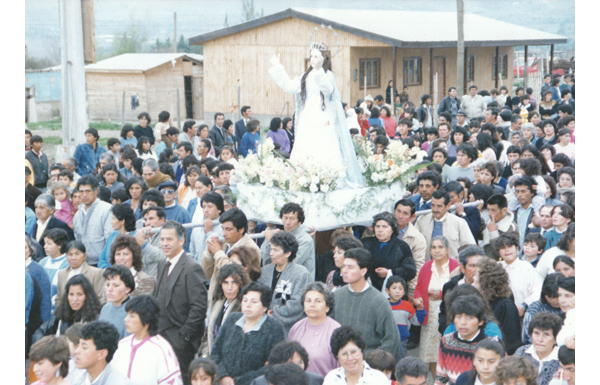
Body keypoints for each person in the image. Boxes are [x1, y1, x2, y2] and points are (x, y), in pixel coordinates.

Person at [268, 43, 364, 187]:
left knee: (324, 145)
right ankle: (302, 179)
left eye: (316, 56)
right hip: (308, 116)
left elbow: (327, 90)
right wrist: (278, 67)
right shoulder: (306, 76)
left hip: (324, 116)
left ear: (323, 59)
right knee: (305, 144)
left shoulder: (327, 75)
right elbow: (290, 86)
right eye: (311, 56)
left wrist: (319, 71)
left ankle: (328, 181)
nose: (312, 59)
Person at [154, 220, 208, 384]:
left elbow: (199, 307)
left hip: (180, 341)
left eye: (169, 239)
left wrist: (183, 337)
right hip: (160, 335)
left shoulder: (192, 268)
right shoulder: (162, 263)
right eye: (162, 239)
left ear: (181, 241)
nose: (164, 243)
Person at [330, 248, 401, 360]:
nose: (344, 271)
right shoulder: (336, 296)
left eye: (350, 267)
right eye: (344, 266)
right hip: (339, 362)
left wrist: (374, 364)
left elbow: (392, 340)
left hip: (368, 366)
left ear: (363, 271)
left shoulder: (378, 301)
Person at [210, 282, 286, 385]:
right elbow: (215, 353)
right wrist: (223, 375)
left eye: (254, 302)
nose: (248, 305)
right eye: (245, 300)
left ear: (265, 307)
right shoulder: (232, 319)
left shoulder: (274, 328)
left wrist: (239, 381)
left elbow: (275, 364)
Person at [111, 295, 183, 385]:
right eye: (127, 315)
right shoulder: (122, 345)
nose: (126, 319)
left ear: (147, 318)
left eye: (132, 316)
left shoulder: (161, 348)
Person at [413, 236, 460, 368]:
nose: (437, 250)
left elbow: (459, 289)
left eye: (440, 247)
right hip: (430, 316)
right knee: (431, 356)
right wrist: (419, 299)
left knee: (447, 354)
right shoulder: (426, 267)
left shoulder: (455, 266)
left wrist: (441, 295)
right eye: (433, 247)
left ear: (448, 250)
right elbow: (418, 288)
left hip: (447, 314)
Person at [202, 208, 261, 302]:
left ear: (241, 229)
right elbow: (206, 273)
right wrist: (209, 252)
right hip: (217, 298)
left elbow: (235, 273)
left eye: (228, 229)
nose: (224, 233)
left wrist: (218, 252)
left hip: (236, 301)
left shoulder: (251, 248)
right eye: (223, 229)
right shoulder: (224, 244)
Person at [258, 232, 313, 332]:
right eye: (271, 249)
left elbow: (298, 304)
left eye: (276, 250)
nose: (271, 253)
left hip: (289, 329)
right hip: (262, 325)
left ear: (288, 253)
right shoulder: (265, 271)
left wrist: (276, 313)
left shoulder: (301, 273)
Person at [288, 282, 341, 377]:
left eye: (318, 301)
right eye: (308, 301)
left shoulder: (336, 331)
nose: (312, 305)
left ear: (328, 307)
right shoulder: (296, 328)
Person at [435, 295, 491, 385]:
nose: (463, 322)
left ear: (481, 321)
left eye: (469, 317)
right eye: (459, 316)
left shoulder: (490, 346)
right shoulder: (446, 341)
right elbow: (440, 379)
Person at [33, 275, 102, 344]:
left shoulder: (95, 320)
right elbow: (40, 332)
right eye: (71, 294)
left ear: (87, 296)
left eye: (79, 294)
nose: (75, 299)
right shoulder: (61, 317)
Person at [474, 257, 522, 354]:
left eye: (477, 274)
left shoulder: (506, 307)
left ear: (486, 281)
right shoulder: (478, 300)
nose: (473, 278)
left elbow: (511, 342)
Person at [361, 212, 416, 291]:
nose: (380, 230)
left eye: (384, 227)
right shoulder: (365, 243)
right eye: (377, 226)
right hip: (368, 290)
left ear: (392, 229)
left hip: (394, 292)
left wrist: (390, 273)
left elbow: (410, 271)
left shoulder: (402, 246)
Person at [205, 264, 251, 355]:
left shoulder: (244, 308)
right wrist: (205, 355)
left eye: (234, 282)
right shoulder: (217, 304)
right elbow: (207, 336)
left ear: (241, 284)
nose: (229, 287)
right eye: (225, 282)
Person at [415, 190, 476, 259]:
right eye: (433, 205)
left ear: (448, 206)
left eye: (439, 206)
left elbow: (470, 248)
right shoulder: (422, 220)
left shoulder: (459, 222)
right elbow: (415, 245)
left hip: (453, 267)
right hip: (428, 266)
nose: (435, 209)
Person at [261, 202, 316, 277]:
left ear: (299, 221)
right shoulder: (278, 235)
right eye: (285, 218)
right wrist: (269, 241)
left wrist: (271, 242)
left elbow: (288, 264)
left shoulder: (305, 240)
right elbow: (266, 263)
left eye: (292, 219)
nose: (287, 222)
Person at [323, 325, 390, 385]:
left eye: (354, 352)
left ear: (362, 352)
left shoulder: (378, 379)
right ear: (337, 356)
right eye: (344, 354)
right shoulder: (331, 379)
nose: (350, 358)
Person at [72, 176, 114, 266]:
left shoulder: (107, 210)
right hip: (84, 263)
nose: (84, 195)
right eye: (81, 191)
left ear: (96, 191)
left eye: (88, 191)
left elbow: (110, 239)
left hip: (102, 263)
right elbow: (78, 239)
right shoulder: (77, 214)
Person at [515, 312, 562, 385]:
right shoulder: (521, 352)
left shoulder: (562, 360)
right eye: (536, 333)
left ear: (556, 338)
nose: (540, 339)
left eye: (546, 334)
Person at [55, 241, 105, 311]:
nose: (73, 258)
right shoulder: (62, 274)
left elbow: (100, 298)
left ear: (85, 256)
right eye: (70, 254)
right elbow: (59, 298)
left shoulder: (96, 273)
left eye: (77, 254)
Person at [393, 199, 427, 297]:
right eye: (398, 211)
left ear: (412, 217)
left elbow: (417, 267)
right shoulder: (382, 229)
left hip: (403, 287)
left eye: (405, 213)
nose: (400, 216)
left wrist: (412, 292)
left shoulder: (418, 238)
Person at [386, 276, 425, 359]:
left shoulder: (407, 306)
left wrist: (420, 309)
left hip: (401, 341)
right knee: (385, 364)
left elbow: (417, 322)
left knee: (400, 364)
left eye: (400, 289)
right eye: (394, 288)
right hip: (386, 341)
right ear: (387, 290)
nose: (397, 291)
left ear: (404, 292)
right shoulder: (383, 305)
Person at [98, 265, 134, 339]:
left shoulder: (134, 311)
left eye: (116, 285)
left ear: (127, 289)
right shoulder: (105, 308)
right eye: (107, 284)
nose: (109, 289)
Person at [97, 203, 137, 269]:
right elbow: (102, 258)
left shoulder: (135, 237)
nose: (111, 222)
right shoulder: (112, 236)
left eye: (113, 219)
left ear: (122, 221)